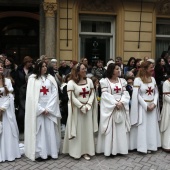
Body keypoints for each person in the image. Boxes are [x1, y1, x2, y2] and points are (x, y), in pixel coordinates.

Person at [24, 60, 61, 161]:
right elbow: (32, 97)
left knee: (50, 131)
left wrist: (49, 108)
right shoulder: (32, 79)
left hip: (49, 109)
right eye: (42, 66)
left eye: (45, 66)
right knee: (39, 132)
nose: (45, 68)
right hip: (39, 110)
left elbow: (54, 93)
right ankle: (40, 153)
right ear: (38, 67)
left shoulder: (50, 78)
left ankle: (51, 152)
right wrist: (40, 109)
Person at [62, 63, 98, 160]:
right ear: (77, 71)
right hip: (77, 111)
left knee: (86, 130)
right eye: (83, 69)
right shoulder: (71, 83)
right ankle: (76, 151)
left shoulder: (89, 81)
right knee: (78, 130)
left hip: (87, 110)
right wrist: (81, 106)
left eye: (85, 68)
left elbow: (92, 94)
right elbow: (71, 97)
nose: (85, 70)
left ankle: (86, 151)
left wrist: (88, 105)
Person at [96, 63, 130, 156]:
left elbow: (125, 93)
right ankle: (109, 150)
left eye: (119, 69)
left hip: (120, 106)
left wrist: (121, 102)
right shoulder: (105, 81)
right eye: (116, 69)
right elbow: (105, 95)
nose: (119, 70)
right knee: (110, 129)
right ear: (111, 71)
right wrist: (115, 103)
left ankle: (120, 149)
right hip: (111, 107)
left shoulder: (122, 81)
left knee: (120, 128)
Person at [129, 61, 161, 153]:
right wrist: (146, 106)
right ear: (145, 69)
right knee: (143, 127)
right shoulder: (138, 80)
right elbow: (136, 95)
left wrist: (154, 103)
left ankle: (151, 145)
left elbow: (156, 93)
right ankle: (143, 147)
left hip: (152, 107)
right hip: (143, 108)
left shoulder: (153, 79)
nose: (153, 69)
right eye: (151, 67)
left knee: (151, 126)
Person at [0, 60, 21, 162]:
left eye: (1, 66)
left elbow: (10, 96)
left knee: (7, 130)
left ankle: (9, 153)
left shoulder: (8, 81)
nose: (0, 67)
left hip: (6, 110)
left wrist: (3, 108)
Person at [160, 76, 170, 151]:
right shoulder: (166, 83)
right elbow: (165, 96)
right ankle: (166, 144)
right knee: (168, 124)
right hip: (168, 106)